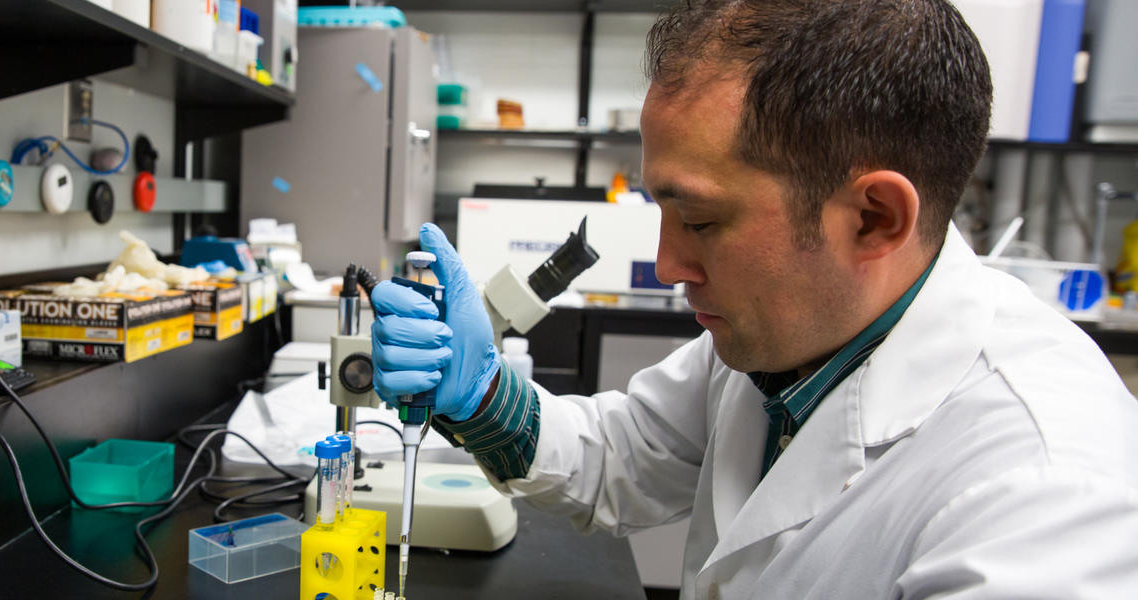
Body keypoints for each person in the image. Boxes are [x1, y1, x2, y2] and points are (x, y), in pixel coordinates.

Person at [369, 0, 1138, 597]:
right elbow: (623, 458)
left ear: (874, 218)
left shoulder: (1046, 499)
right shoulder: (796, 336)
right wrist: (478, 398)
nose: (669, 264)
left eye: (700, 220)